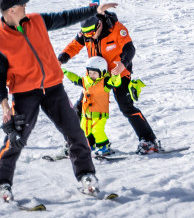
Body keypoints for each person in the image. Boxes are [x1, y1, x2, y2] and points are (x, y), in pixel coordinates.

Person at [0, 0, 118, 201]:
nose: (25, 7)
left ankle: (86, 175)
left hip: (53, 87)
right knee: (16, 139)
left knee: (75, 131)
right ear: (11, 11)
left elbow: (65, 17)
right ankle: (0, 182)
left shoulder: (36, 20)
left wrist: (95, 10)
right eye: (21, 5)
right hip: (24, 93)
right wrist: (4, 106)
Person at [59, 11, 161, 154]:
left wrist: (122, 64)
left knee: (126, 106)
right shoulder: (87, 32)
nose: (89, 38)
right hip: (96, 77)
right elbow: (73, 46)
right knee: (82, 108)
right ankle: (80, 142)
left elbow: (130, 48)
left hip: (118, 73)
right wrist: (60, 59)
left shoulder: (117, 29)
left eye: (91, 34)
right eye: (86, 35)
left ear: (99, 25)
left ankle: (149, 141)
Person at [62, 56, 123, 156]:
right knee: (84, 130)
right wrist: (65, 72)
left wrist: (116, 75)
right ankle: (89, 146)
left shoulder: (105, 83)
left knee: (97, 129)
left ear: (102, 72)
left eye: (94, 73)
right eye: (90, 72)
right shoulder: (86, 81)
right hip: (86, 113)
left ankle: (104, 147)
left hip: (99, 113)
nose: (92, 75)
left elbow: (116, 82)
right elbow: (76, 79)